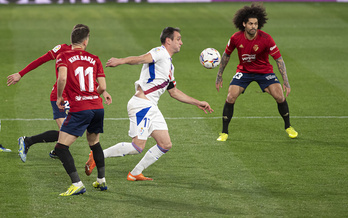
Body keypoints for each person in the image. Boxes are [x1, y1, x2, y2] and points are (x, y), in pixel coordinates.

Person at [85, 27, 214, 181]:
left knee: (165, 144)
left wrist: (197, 102)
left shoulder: (169, 66)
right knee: (137, 147)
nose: (181, 42)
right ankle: (98, 155)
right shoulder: (160, 52)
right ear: (168, 41)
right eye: (178, 39)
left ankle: (134, 173)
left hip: (151, 107)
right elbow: (141, 58)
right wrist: (121, 61)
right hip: (142, 105)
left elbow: (173, 92)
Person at [6, 24, 112, 163]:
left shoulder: (82, 54)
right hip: (59, 96)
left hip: (77, 98)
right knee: (66, 132)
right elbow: (41, 60)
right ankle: (28, 141)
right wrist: (21, 74)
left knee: (67, 133)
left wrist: (104, 92)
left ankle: (55, 150)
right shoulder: (62, 49)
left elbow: (86, 79)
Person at [215, 3, 298, 142]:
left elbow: (279, 60)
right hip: (244, 72)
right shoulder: (235, 38)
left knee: (279, 96)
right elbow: (226, 55)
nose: (254, 26)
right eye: (251, 24)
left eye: (256, 24)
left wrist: (286, 81)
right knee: (230, 96)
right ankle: (224, 132)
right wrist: (219, 75)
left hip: (264, 72)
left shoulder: (266, 39)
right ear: (244, 24)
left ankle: (288, 126)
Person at [54, 24, 107, 196]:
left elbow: (62, 77)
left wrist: (60, 97)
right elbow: (103, 86)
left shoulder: (63, 56)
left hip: (80, 108)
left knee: (61, 147)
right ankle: (101, 181)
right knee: (94, 143)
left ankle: (77, 184)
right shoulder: (95, 58)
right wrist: (93, 95)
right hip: (97, 107)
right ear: (86, 41)